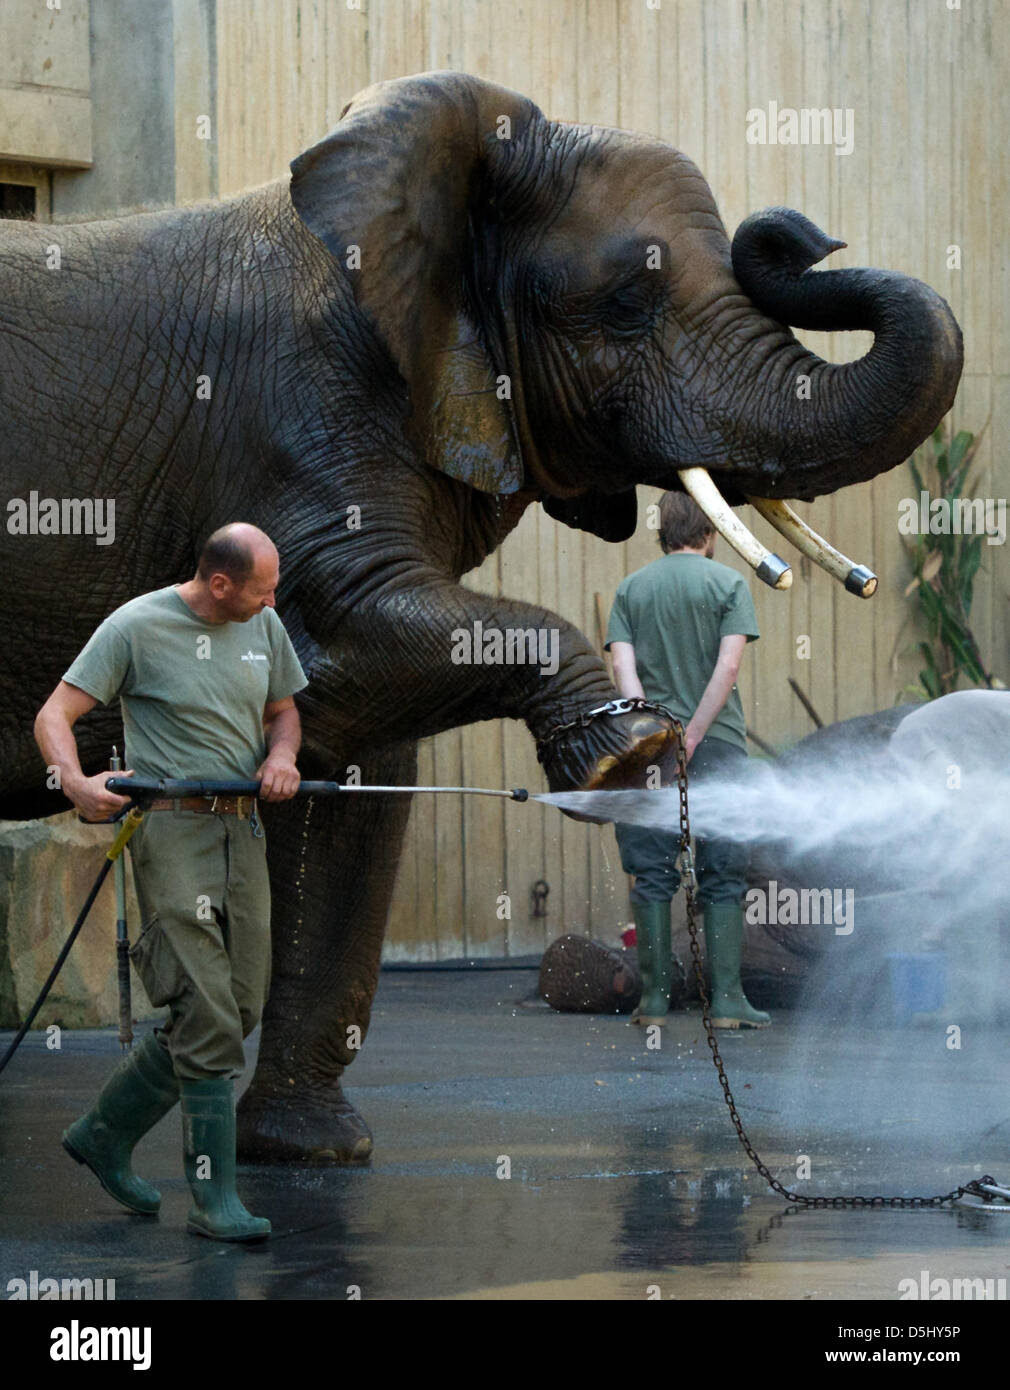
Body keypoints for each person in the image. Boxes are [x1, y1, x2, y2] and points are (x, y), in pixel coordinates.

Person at [34, 523, 308, 1241]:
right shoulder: (136, 625)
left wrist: (282, 757)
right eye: (261, 587)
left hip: (242, 827)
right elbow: (55, 714)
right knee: (208, 1012)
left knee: (239, 1004)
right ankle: (215, 1201)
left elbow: (284, 711)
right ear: (220, 583)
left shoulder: (266, 626)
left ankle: (102, 1133)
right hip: (171, 828)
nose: (273, 599)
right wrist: (74, 781)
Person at [605, 492, 769, 1029]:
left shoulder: (632, 589)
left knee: (651, 872)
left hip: (650, 751)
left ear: (661, 532)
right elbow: (728, 670)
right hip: (717, 744)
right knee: (723, 872)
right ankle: (725, 1003)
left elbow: (624, 677)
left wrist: (659, 733)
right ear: (713, 532)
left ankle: (652, 1002)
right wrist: (694, 735)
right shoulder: (729, 585)